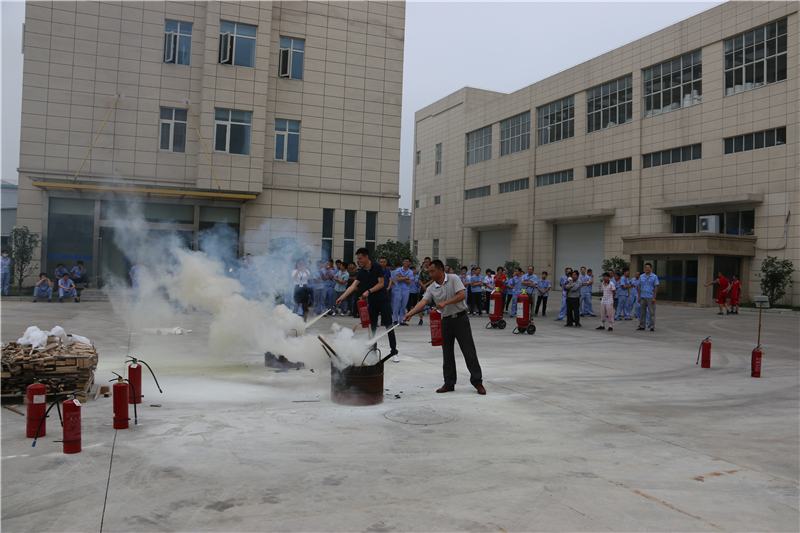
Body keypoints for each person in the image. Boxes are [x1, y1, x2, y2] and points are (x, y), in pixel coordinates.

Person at [403, 260, 485, 395]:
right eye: (429, 272)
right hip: (446, 321)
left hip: (461, 319)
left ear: (441, 270)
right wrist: (410, 313)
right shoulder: (431, 288)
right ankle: (449, 383)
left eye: (432, 271)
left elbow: (462, 295)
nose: (430, 274)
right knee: (447, 353)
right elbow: (423, 301)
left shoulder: (453, 279)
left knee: (468, 351)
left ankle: (477, 382)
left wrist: (445, 303)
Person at [337, 248, 399, 360]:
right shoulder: (361, 272)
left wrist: (369, 291)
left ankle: (394, 351)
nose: (359, 261)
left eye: (360, 258)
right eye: (358, 259)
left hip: (383, 301)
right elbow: (352, 286)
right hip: (372, 303)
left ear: (366, 257)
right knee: (372, 329)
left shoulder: (377, 267)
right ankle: (373, 353)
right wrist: (341, 297)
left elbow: (381, 284)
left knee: (389, 326)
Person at [637, 263, 659, 331]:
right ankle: (642, 326)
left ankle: (652, 326)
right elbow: (639, 286)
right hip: (643, 296)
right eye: (646, 267)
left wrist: (654, 297)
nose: (647, 268)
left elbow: (656, 287)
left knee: (651, 313)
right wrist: (639, 296)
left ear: (651, 268)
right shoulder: (641, 276)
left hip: (650, 297)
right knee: (642, 312)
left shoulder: (654, 277)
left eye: (648, 267)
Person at [391, 257, 413, 325]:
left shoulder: (411, 272)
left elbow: (409, 282)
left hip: (406, 290)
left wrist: (402, 278)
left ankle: (402, 320)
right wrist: (406, 278)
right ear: (403, 262)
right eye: (405, 261)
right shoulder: (398, 270)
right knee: (396, 306)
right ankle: (395, 320)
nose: (406, 262)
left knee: (403, 306)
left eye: (407, 261)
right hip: (398, 290)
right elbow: (398, 279)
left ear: (409, 263)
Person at [416, 257, 433, 325]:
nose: (426, 263)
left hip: (431, 289)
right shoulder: (422, 271)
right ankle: (421, 319)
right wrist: (423, 286)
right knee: (421, 305)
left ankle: (433, 319)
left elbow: (433, 280)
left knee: (432, 305)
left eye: (427, 262)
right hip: (423, 289)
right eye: (425, 262)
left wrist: (426, 285)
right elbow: (419, 280)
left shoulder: (432, 271)